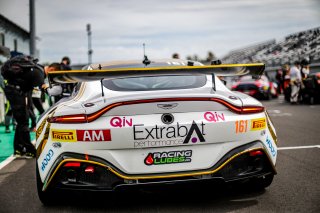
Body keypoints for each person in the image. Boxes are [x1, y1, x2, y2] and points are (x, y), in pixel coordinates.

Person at [1, 55, 45, 157]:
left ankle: (18, 148)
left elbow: (29, 95)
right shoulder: (38, 73)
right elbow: (41, 89)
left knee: (21, 121)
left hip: (13, 90)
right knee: (24, 121)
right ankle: (29, 150)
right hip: (16, 92)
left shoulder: (31, 70)